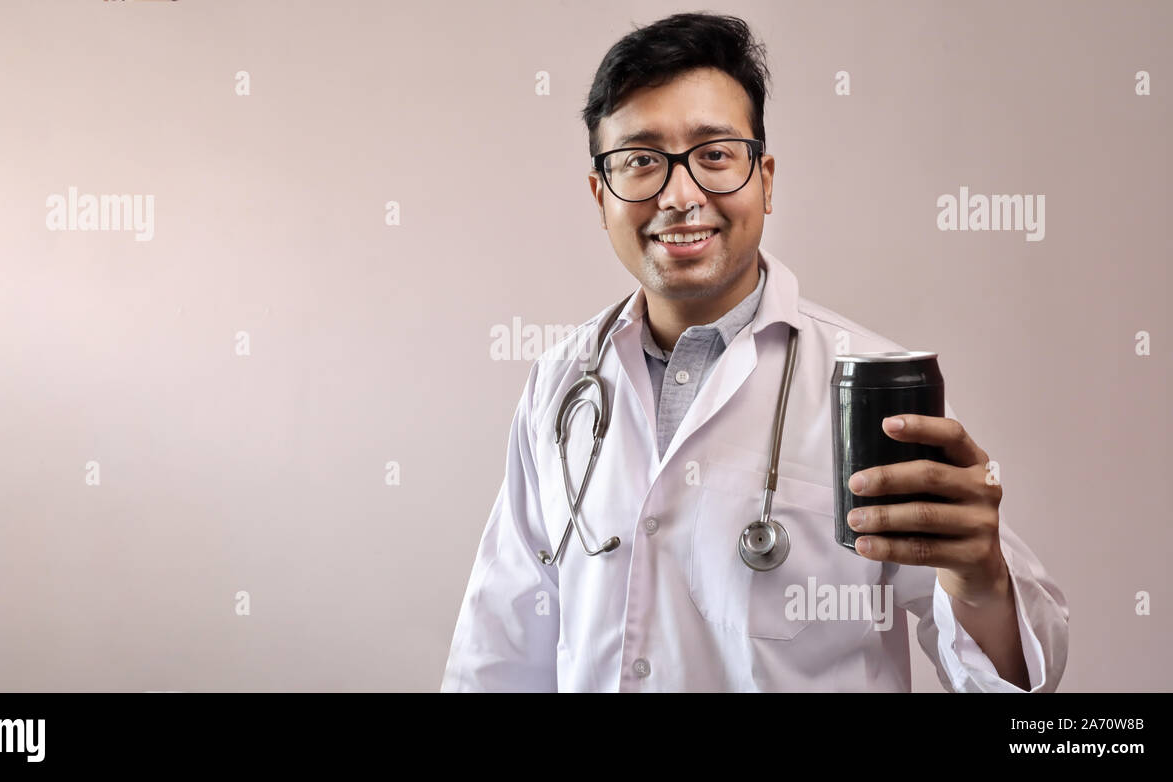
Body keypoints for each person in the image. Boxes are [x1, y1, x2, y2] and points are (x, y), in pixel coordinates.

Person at [440, 12, 1068, 692]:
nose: (681, 196)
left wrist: (980, 579)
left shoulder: (871, 388)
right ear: (601, 196)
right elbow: (498, 651)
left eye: (715, 155)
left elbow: (1010, 685)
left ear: (765, 180)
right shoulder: (560, 385)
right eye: (641, 161)